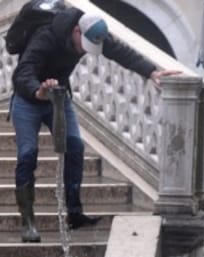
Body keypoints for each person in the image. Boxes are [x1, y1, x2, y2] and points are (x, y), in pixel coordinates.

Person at [10, 9, 180, 242]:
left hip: (58, 97)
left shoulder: (92, 30)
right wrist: (38, 90)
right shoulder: (46, 37)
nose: (83, 51)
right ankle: (28, 221)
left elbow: (121, 52)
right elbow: (22, 72)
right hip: (27, 99)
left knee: (75, 146)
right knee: (28, 153)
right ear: (76, 31)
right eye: (83, 45)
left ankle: (74, 213)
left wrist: (151, 71)